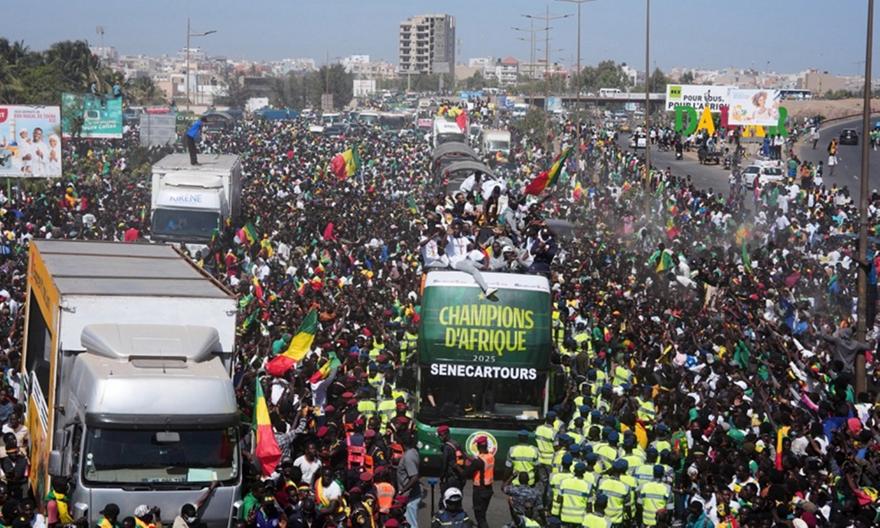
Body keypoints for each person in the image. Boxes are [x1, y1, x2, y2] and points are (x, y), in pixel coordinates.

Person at [468, 436, 494, 528]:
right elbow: (481, 464)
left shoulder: (478, 461)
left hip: (479, 491)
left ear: (479, 446)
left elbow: (466, 473)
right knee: (483, 514)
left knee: (480, 517)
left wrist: (456, 466)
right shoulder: (490, 456)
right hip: (488, 489)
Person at [396, 433, 421, 528]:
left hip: (410, 496)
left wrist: (402, 490)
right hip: (409, 495)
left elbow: (414, 477)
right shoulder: (413, 452)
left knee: (411, 523)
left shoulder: (408, 457)